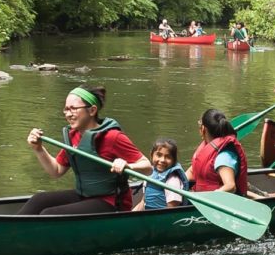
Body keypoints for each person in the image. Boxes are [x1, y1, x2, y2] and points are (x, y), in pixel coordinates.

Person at [21, 85, 151, 215]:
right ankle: (11, 232)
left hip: (111, 202)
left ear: (92, 110)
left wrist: (128, 166)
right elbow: (56, 171)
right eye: (66, 109)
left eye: (73, 109)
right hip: (85, 196)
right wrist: (38, 148)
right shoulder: (73, 135)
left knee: (49, 214)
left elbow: (148, 167)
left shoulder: (112, 137)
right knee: (39, 200)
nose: (68, 114)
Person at [185, 109, 249, 196]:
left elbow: (230, 186)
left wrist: (210, 196)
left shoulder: (223, 157)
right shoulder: (207, 148)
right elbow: (192, 171)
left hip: (220, 203)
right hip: (200, 195)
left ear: (203, 129)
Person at [133, 138, 188, 211]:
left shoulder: (172, 180)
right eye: (159, 155)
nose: (162, 160)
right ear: (151, 155)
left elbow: (172, 210)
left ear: (173, 161)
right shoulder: (151, 174)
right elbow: (144, 201)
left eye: (168, 157)